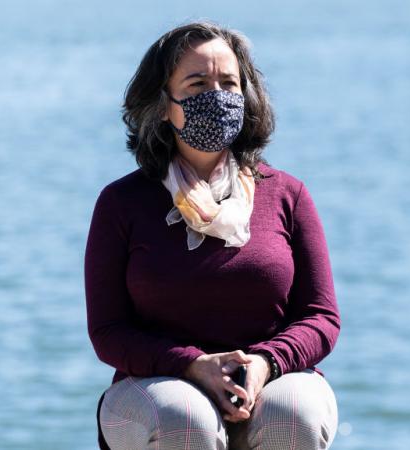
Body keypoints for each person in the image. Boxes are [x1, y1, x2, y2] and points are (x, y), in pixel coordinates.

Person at [84, 20, 340, 450]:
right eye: (198, 83)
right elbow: (108, 332)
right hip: (155, 384)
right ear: (164, 103)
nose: (217, 97)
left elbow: (321, 318)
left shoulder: (287, 194)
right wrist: (193, 366)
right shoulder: (121, 203)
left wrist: (264, 363)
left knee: (293, 416)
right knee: (188, 422)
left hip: (272, 376)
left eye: (229, 83)